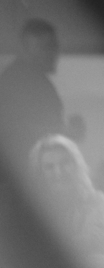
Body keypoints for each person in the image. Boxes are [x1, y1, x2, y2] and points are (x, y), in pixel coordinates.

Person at [0, 19, 67, 166]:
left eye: (55, 46)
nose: (54, 52)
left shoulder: (31, 80)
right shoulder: (19, 82)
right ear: (27, 48)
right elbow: (19, 130)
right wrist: (65, 131)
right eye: (47, 46)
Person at [27, 134, 104, 251]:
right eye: (49, 167)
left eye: (64, 163)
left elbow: (93, 240)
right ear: (40, 172)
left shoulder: (95, 200)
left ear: (77, 166)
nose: (58, 172)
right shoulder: (30, 204)